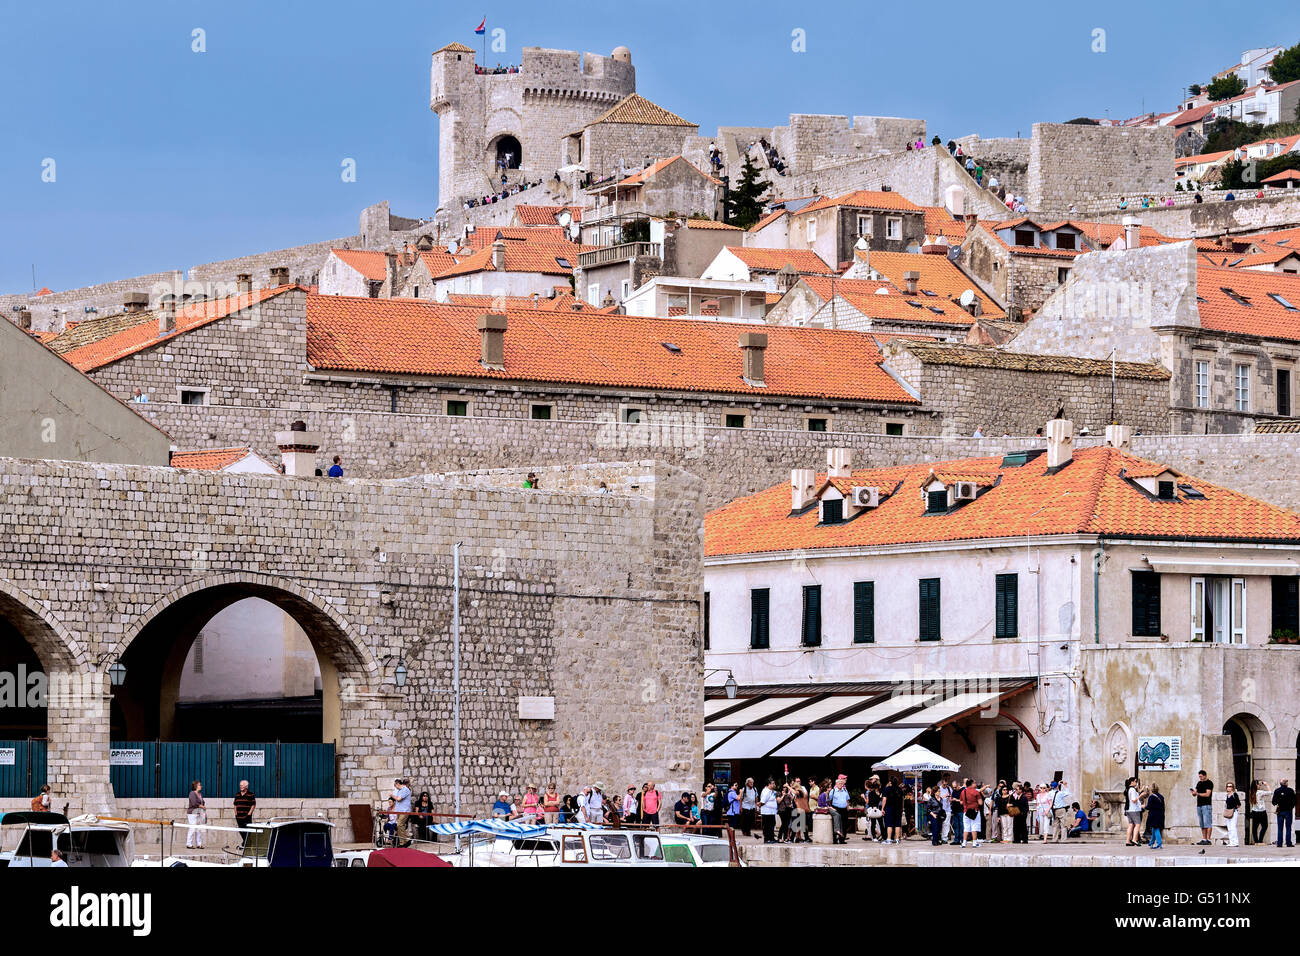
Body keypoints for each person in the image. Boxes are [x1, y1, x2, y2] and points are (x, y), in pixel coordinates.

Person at [1191, 770, 1214, 845]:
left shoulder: (1209, 783)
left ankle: (1208, 839)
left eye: (1201, 776)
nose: (1200, 778)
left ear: (1205, 775)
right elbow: (1196, 793)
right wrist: (1194, 793)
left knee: (1207, 822)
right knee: (1202, 823)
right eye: (1199, 776)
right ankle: (1204, 839)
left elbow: (1207, 794)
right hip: (1199, 805)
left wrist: (1197, 793)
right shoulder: (1199, 783)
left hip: (1206, 805)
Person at [1272, 777, 1296, 847]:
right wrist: (1291, 806)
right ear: (1286, 783)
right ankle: (1288, 843)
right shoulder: (1291, 790)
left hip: (1279, 811)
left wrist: (1278, 804)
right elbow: (1295, 801)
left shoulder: (1277, 791)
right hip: (1288, 811)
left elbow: (1273, 802)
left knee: (1280, 828)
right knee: (1288, 827)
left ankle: (1279, 843)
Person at [958, 778, 982, 847]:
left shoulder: (963, 792)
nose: (976, 784)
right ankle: (974, 843)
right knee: (974, 826)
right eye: (974, 783)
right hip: (975, 811)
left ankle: (964, 843)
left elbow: (961, 802)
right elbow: (980, 803)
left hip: (966, 811)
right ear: (971, 784)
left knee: (966, 827)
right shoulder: (976, 792)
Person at [389, 777, 412, 846]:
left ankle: (407, 839)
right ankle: (403, 843)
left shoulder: (405, 789)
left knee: (399, 824)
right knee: (399, 826)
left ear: (397, 784)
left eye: (395, 785)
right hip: (399, 811)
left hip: (404, 811)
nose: (395, 787)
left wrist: (392, 795)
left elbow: (399, 799)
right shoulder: (398, 790)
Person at [829, 775, 852, 844]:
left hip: (844, 809)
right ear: (836, 784)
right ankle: (835, 839)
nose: (840, 785)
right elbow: (829, 800)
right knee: (836, 824)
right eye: (839, 783)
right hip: (836, 809)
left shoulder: (845, 790)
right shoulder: (833, 791)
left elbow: (847, 799)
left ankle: (842, 839)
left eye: (842, 784)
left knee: (844, 824)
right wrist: (831, 808)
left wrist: (848, 807)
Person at [233, 779, 256, 847]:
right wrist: (236, 813)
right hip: (239, 816)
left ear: (246, 786)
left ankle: (246, 844)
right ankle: (246, 843)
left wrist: (249, 814)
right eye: (240, 785)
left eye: (242, 785)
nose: (241, 787)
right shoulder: (237, 794)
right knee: (241, 830)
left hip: (247, 816)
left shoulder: (250, 794)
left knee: (247, 831)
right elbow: (235, 804)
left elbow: (253, 805)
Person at [882, 776, 904, 844]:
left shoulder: (887, 789)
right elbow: (902, 800)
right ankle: (897, 839)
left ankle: (889, 839)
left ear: (890, 781)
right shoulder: (900, 789)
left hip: (889, 808)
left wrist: (882, 808)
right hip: (898, 808)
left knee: (889, 824)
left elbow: (884, 799)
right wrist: (902, 808)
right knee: (898, 824)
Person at [186, 779, 206, 849]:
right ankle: (189, 844)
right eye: (200, 785)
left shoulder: (200, 794)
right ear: (196, 786)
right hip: (192, 813)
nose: (201, 786)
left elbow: (203, 802)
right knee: (192, 828)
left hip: (199, 813)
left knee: (199, 829)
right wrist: (201, 806)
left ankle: (199, 844)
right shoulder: (192, 793)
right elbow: (194, 803)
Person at [758, 778, 780, 844]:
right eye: (773, 783)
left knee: (772, 825)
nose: (774, 785)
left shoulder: (771, 791)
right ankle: (767, 839)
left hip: (771, 812)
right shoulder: (766, 791)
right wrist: (759, 804)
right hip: (767, 812)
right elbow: (763, 801)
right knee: (767, 826)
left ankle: (771, 838)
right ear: (769, 784)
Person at [1124, 776, 1143, 846]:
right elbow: (1134, 800)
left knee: (1131, 825)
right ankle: (1134, 839)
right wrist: (1140, 796)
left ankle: (1128, 841)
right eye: (1135, 781)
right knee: (1137, 824)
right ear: (1132, 782)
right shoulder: (1132, 790)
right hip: (1134, 810)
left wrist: (1140, 790)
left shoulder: (1128, 789)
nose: (1136, 782)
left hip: (1129, 810)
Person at [1248, 780, 1269, 845]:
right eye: (1259, 785)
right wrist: (1267, 785)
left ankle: (1256, 841)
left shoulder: (1251, 792)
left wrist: (1260, 782)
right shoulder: (1260, 792)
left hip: (1255, 812)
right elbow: (1270, 793)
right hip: (1262, 812)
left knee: (1255, 828)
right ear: (1256, 785)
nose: (1260, 786)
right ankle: (1260, 841)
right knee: (1265, 826)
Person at [1146, 784, 1166, 849]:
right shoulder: (1161, 797)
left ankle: (1159, 843)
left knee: (1156, 829)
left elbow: (1148, 807)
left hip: (1153, 815)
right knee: (1154, 829)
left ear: (1152, 790)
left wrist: (1143, 806)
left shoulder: (1151, 797)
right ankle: (1151, 843)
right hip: (1160, 815)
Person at [790, 778, 809, 843]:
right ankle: (806, 838)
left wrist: (788, 787)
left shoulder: (800, 791)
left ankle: (792, 839)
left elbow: (795, 792)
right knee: (801, 825)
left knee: (796, 825)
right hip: (798, 810)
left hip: (799, 810)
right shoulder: (799, 792)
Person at [1223, 781, 1241, 847]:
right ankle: (1231, 841)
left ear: (1233, 787)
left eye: (1230, 786)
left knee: (1233, 827)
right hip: (1228, 812)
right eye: (1227, 786)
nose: (1229, 788)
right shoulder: (1227, 795)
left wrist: (1233, 808)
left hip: (1234, 812)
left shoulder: (1234, 794)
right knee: (1229, 828)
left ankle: (1235, 842)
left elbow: (1239, 804)